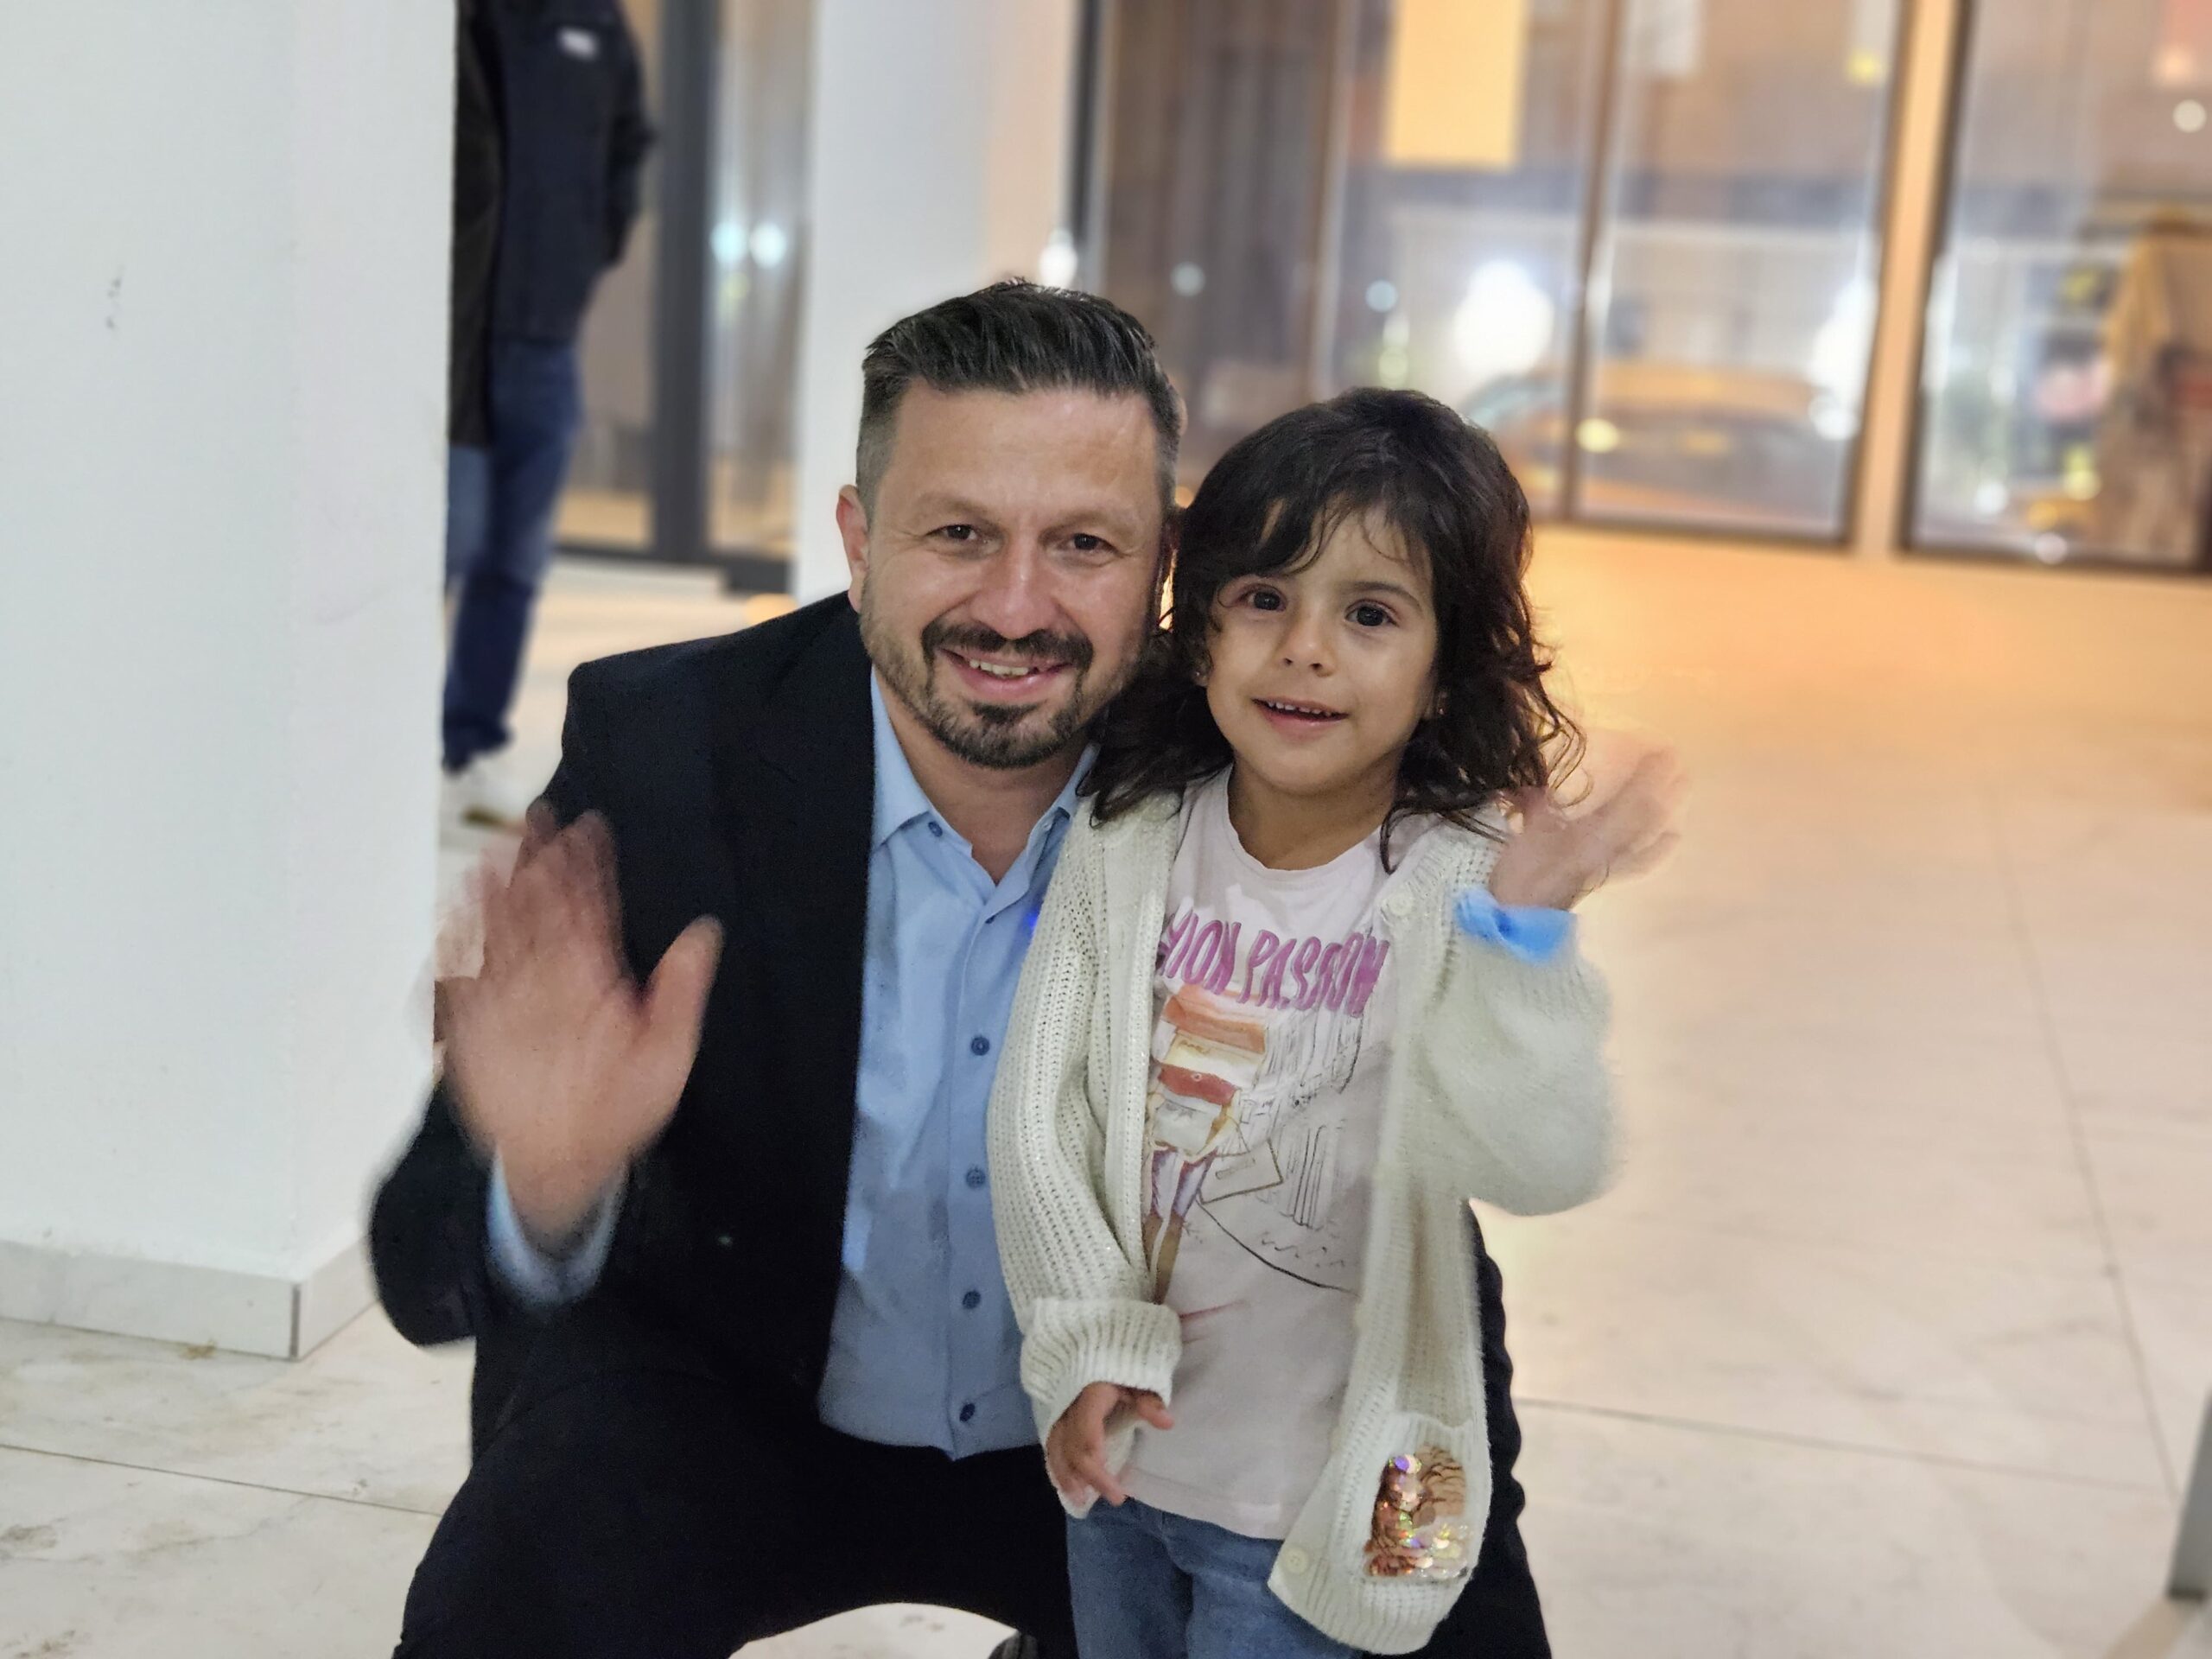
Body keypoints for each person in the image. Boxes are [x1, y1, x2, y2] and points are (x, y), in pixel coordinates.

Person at [373, 284, 1589, 1657]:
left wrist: (1442, 1540)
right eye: (958, 534)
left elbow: (1421, 1242)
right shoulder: (668, 747)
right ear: (858, 541)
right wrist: (544, 1181)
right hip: (732, 1414)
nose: (1016, 608)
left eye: (1083, 544)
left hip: (1145, 1448)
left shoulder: (1281, 761)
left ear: (1164, 565)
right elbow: (419, 1266)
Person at [987, 389, 1675, 1657]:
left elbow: (1543, 1164)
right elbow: (1041, 1117)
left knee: (1421, 1603)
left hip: (1350, 1498)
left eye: (1369, 614)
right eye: (1263, 598)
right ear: (1199, 633)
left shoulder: (1460, 883)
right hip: (1119, 1460)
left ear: (1445, 671)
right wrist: (1081, 1338)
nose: (1304, 650)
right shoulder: (1129, 840)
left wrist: (1522, 941)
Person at [442, 0, 654, 829]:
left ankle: (466, 750)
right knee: (447, 543)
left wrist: (586, 252)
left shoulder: (594, 26)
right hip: (455, 334)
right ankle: (384, 744)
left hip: (544, 343)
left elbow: (627, 144)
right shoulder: (466, 16)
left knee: (515, 560)